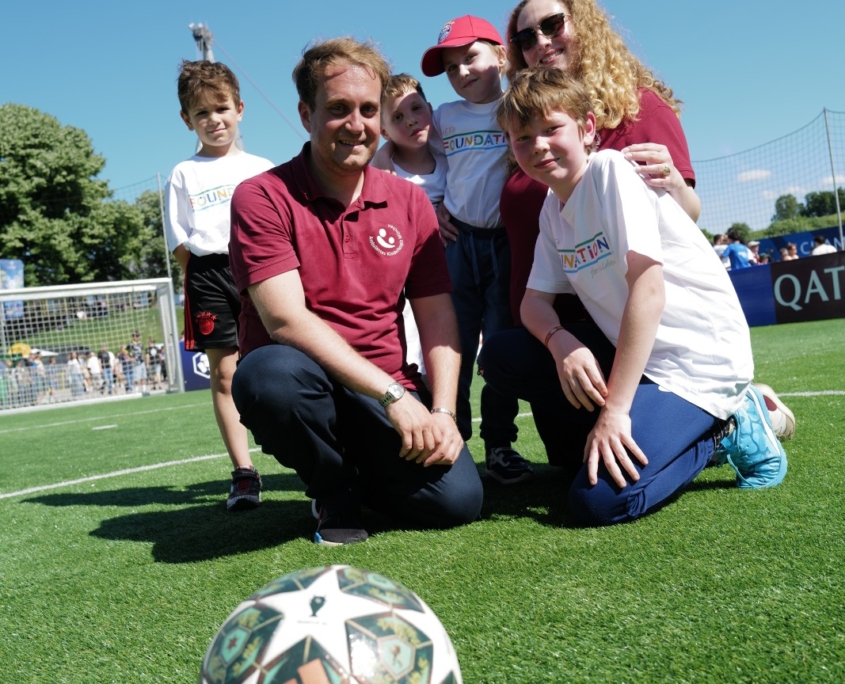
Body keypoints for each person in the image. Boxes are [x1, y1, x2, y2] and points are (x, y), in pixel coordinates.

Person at [480, 67, 789, 525]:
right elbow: (532, 304)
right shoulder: (552, 207)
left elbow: (648, 289)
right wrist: (561, 342)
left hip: (697, 361)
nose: (538, 146)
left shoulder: (610, 172)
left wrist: (616, 411)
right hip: (644, 361)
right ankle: (650, 428)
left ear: (587, 129)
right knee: (502, 356)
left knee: (596, 501)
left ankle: (729, 428)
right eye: (522, 137)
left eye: (551, 129)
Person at [228, 37, 483, 546]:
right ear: (306, 114)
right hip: (313, 385)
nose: (357, 124)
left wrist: (444, 413)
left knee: (458, 502)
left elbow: (437, 318)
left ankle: (366, 470)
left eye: (369, 110)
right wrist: (392, 396)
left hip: (388, 390)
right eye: (338, 109)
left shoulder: (410, 201)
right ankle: (334, 488)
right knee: (268, 376)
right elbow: (284, 321)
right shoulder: (260, 197)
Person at [418, 15, 533, 484]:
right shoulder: (442, 116)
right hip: (458, 243)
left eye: (471, 58)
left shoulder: (519, 107)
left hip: (509, 243)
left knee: (501, 345)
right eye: (451, 67)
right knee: (454, 346)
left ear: (501, 56)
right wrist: (432, 207)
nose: (462, 71)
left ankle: (501, 445)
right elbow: (412, 162)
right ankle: (454, 441)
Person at [164, 59, 274, 511]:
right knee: (225, 375)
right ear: (187, 119)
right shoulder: (183, 174)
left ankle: (312, 456)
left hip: (263, 269)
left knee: (276, 362)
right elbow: (181, 244)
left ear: (241, 109)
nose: (214, 120)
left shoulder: (263, 167)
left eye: (222, 108)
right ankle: (244, 474)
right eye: (202, 113)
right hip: (209, 275)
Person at [372, 73, 446, 379]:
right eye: (398, 117)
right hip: (412, 278)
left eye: (416, 109)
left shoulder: (448, 155)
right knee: (417, 353)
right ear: (384, 131)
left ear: (430, 107)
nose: (412, 121)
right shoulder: (385, 173)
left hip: (459, 269)